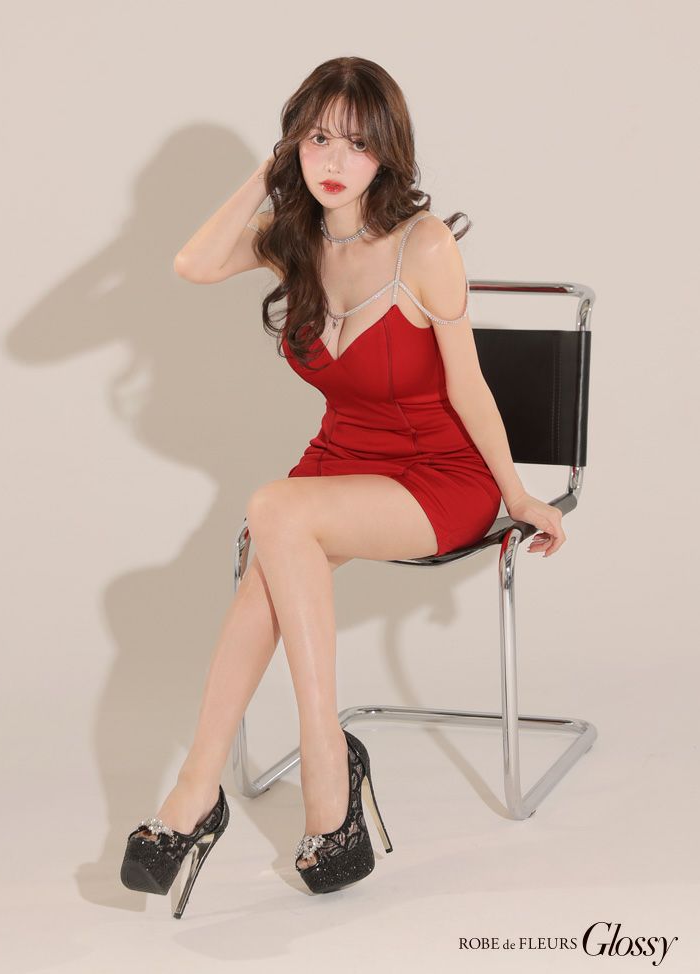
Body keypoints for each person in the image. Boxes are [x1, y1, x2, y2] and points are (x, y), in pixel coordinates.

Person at [120, 56, 566, 913]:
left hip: (439, 475)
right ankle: (208, 784)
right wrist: (267, 170)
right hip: (340, 464)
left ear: (386, 154)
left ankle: (304, 765)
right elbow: (192, 263)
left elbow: (469, 385)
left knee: (272, 512)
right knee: (270, 553)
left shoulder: (423, 244)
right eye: (317, 138)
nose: (334, 160)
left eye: (356, 144)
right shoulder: (293, 237)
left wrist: (516, 494)